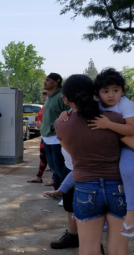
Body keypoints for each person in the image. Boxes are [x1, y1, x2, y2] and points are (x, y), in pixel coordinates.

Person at [55, 75, 129, 255]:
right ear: (95, 93)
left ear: (65, 98)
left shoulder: (61, 124)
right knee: (119, 249)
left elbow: (71, 153)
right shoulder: (115, 119)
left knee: (88, 248)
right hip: (118, 187)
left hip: (85, 188)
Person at [40, 73, 70, 191]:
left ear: (56, 82)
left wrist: (55, 128)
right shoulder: (49, 97)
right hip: (47, 137)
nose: (44, 82)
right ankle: (57, 191)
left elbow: (68, 115)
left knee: (60, 167)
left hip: (57, 138)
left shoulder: (62, 97)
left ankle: (64, 193)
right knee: (53, 167)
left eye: (48, 80)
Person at [27, 91, 51, 184]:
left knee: (52, 158)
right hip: (45, 133)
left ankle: (54, 179)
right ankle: (39, 176)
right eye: (43, 93)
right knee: (43, 156)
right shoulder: (45, 105)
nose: (43, 95)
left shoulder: (52, 105)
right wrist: (40, 124)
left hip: (52, 134)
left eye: (45, 93)